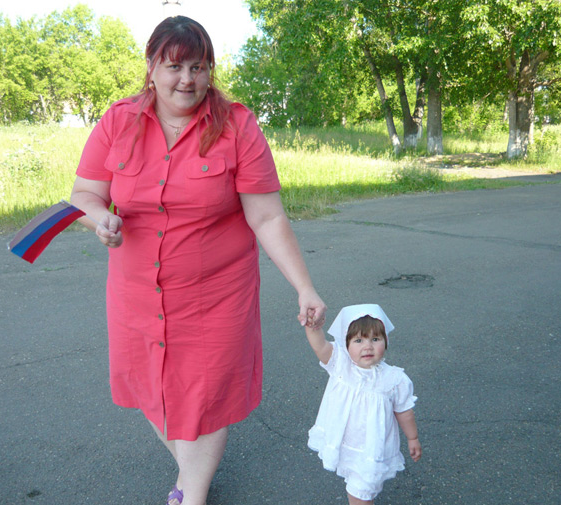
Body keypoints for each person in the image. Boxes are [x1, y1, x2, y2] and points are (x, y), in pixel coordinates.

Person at [70, 15, 326, 505]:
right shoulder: (118, 121)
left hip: (216, 295)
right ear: (151, 67)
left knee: (205, 399)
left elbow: (267, 216)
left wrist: (304, 286)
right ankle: (191, 478)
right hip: (137, 293)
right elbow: (84, 195)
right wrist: (100, 218)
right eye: (174, 66)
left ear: (210, 71)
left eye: (199, 67)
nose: (187, 79)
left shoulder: (237, 126)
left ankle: (192, 495)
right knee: (152, 390)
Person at [303, 304, 421, 505]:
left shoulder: (394, 379)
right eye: (358, 340)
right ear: (346, 344)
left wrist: (413, 437)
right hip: (343, 444)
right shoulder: (341, 364)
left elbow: (404, 411)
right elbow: (320, 346)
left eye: (375, 339)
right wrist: (313, 325)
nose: (368, 346)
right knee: (356, 489)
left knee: (361, 493)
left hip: (371, 450)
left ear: (386, 341)